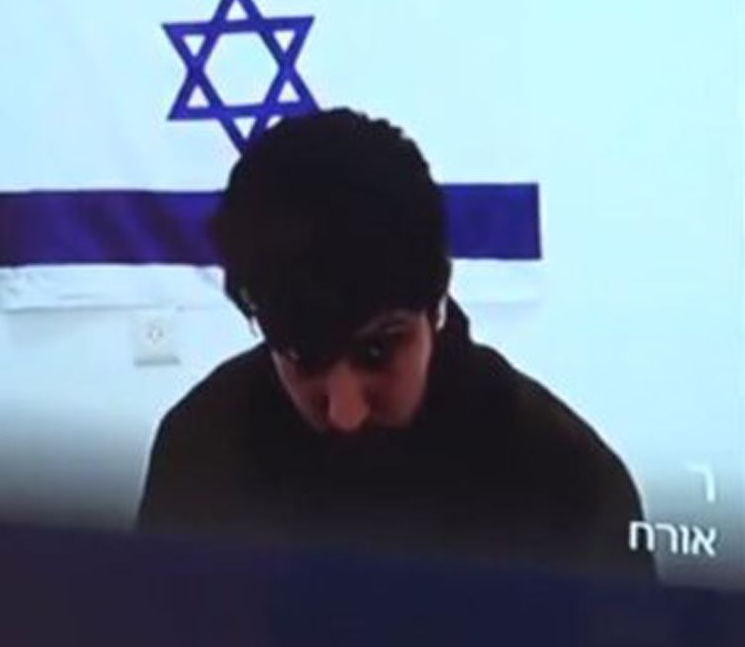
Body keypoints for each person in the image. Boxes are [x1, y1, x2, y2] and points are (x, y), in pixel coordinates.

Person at [137, 109, 652, 578]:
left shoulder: (569, 485)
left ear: (437, 305)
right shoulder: (202, 451)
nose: (344, 412)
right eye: (303, 357)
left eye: (376, 353)